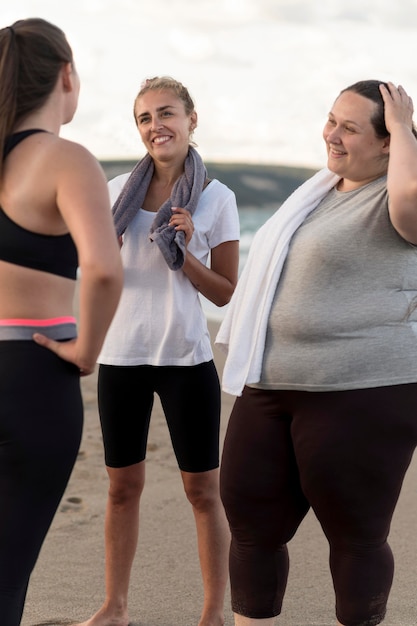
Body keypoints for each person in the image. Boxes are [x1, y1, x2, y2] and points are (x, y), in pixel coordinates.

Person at [215, 79, 417, 626]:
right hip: (270, 383)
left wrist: (404, 127)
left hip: (362, 392)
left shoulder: (398, 197)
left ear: (388, 143)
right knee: (251, 526)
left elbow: (412, 200)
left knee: (355, 537)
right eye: (332, 120)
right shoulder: (319, 191)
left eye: (350, 128)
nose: (331, 135)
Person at [75, 76, 240, 626]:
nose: (155, 126)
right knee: (123, 488)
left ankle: (214, 612)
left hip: (185, 358)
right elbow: (95, 273)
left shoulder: (218, 198)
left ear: (192, 119)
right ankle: (114, 607)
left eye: (166, 113)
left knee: (202, 492)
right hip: (122, 356)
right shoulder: (117, 189)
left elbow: (224, 291)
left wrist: (187, 248)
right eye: (144, 118)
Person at [0, 17, 123, 626]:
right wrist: (87, 351)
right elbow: (103, 270)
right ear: (67, 76)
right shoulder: (65, 160)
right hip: (29, 373)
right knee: (7, 566)